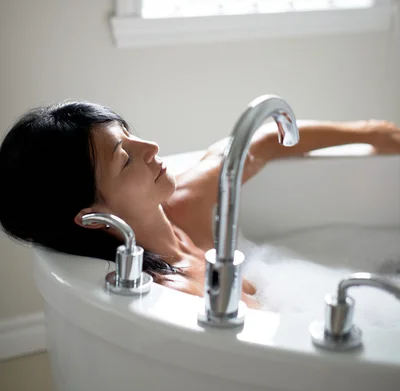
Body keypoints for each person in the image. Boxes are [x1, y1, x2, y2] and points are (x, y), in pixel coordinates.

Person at [1, 101, 400, 309]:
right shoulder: (170, 291)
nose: (152, 147)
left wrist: (374, 133)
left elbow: (254, 145)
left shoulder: (184, 205)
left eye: (129, 134)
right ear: (92, 217)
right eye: (125, 158)